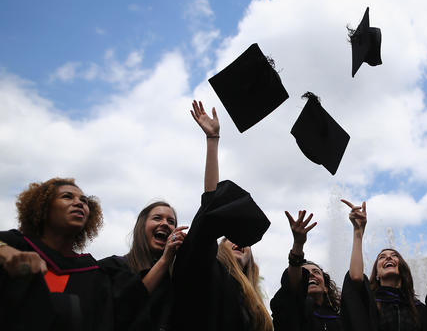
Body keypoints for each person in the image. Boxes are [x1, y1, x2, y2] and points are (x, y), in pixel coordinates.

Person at [170, 100, 272, 331]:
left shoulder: (252, 297)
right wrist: (212, 141)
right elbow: (211, 210)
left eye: (241, 242)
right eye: (228, 238)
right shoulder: (207, 269)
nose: (236, 242)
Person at [0, 177, 114, 331]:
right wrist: (4, 250)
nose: (79, 203)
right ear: (44, 208)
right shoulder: (15, 244)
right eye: (67, 197)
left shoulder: (95, 273)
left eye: (84, 201)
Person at [99, 200, 188, 330]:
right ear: (141, 226)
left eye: (171, 222)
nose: (164, 224)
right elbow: (124, 308)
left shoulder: (175, 279)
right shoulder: (112, 266)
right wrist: (164, 260)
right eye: (157, 218)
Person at [340, 199, 427, 331]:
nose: (388, 257)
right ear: (377, 275)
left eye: (394, 255)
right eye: (382, 257)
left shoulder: (419, 309)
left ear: (402, 268)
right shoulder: (371, 303)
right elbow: (356, 277)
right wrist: (358, 232)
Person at [271, 210, 344, 331]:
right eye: (305, 274)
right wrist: (298, 244)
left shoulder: (341, 319)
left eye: (316, 272)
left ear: (326, 287)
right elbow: (292, 285)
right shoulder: (291, 311)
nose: (311, 274)